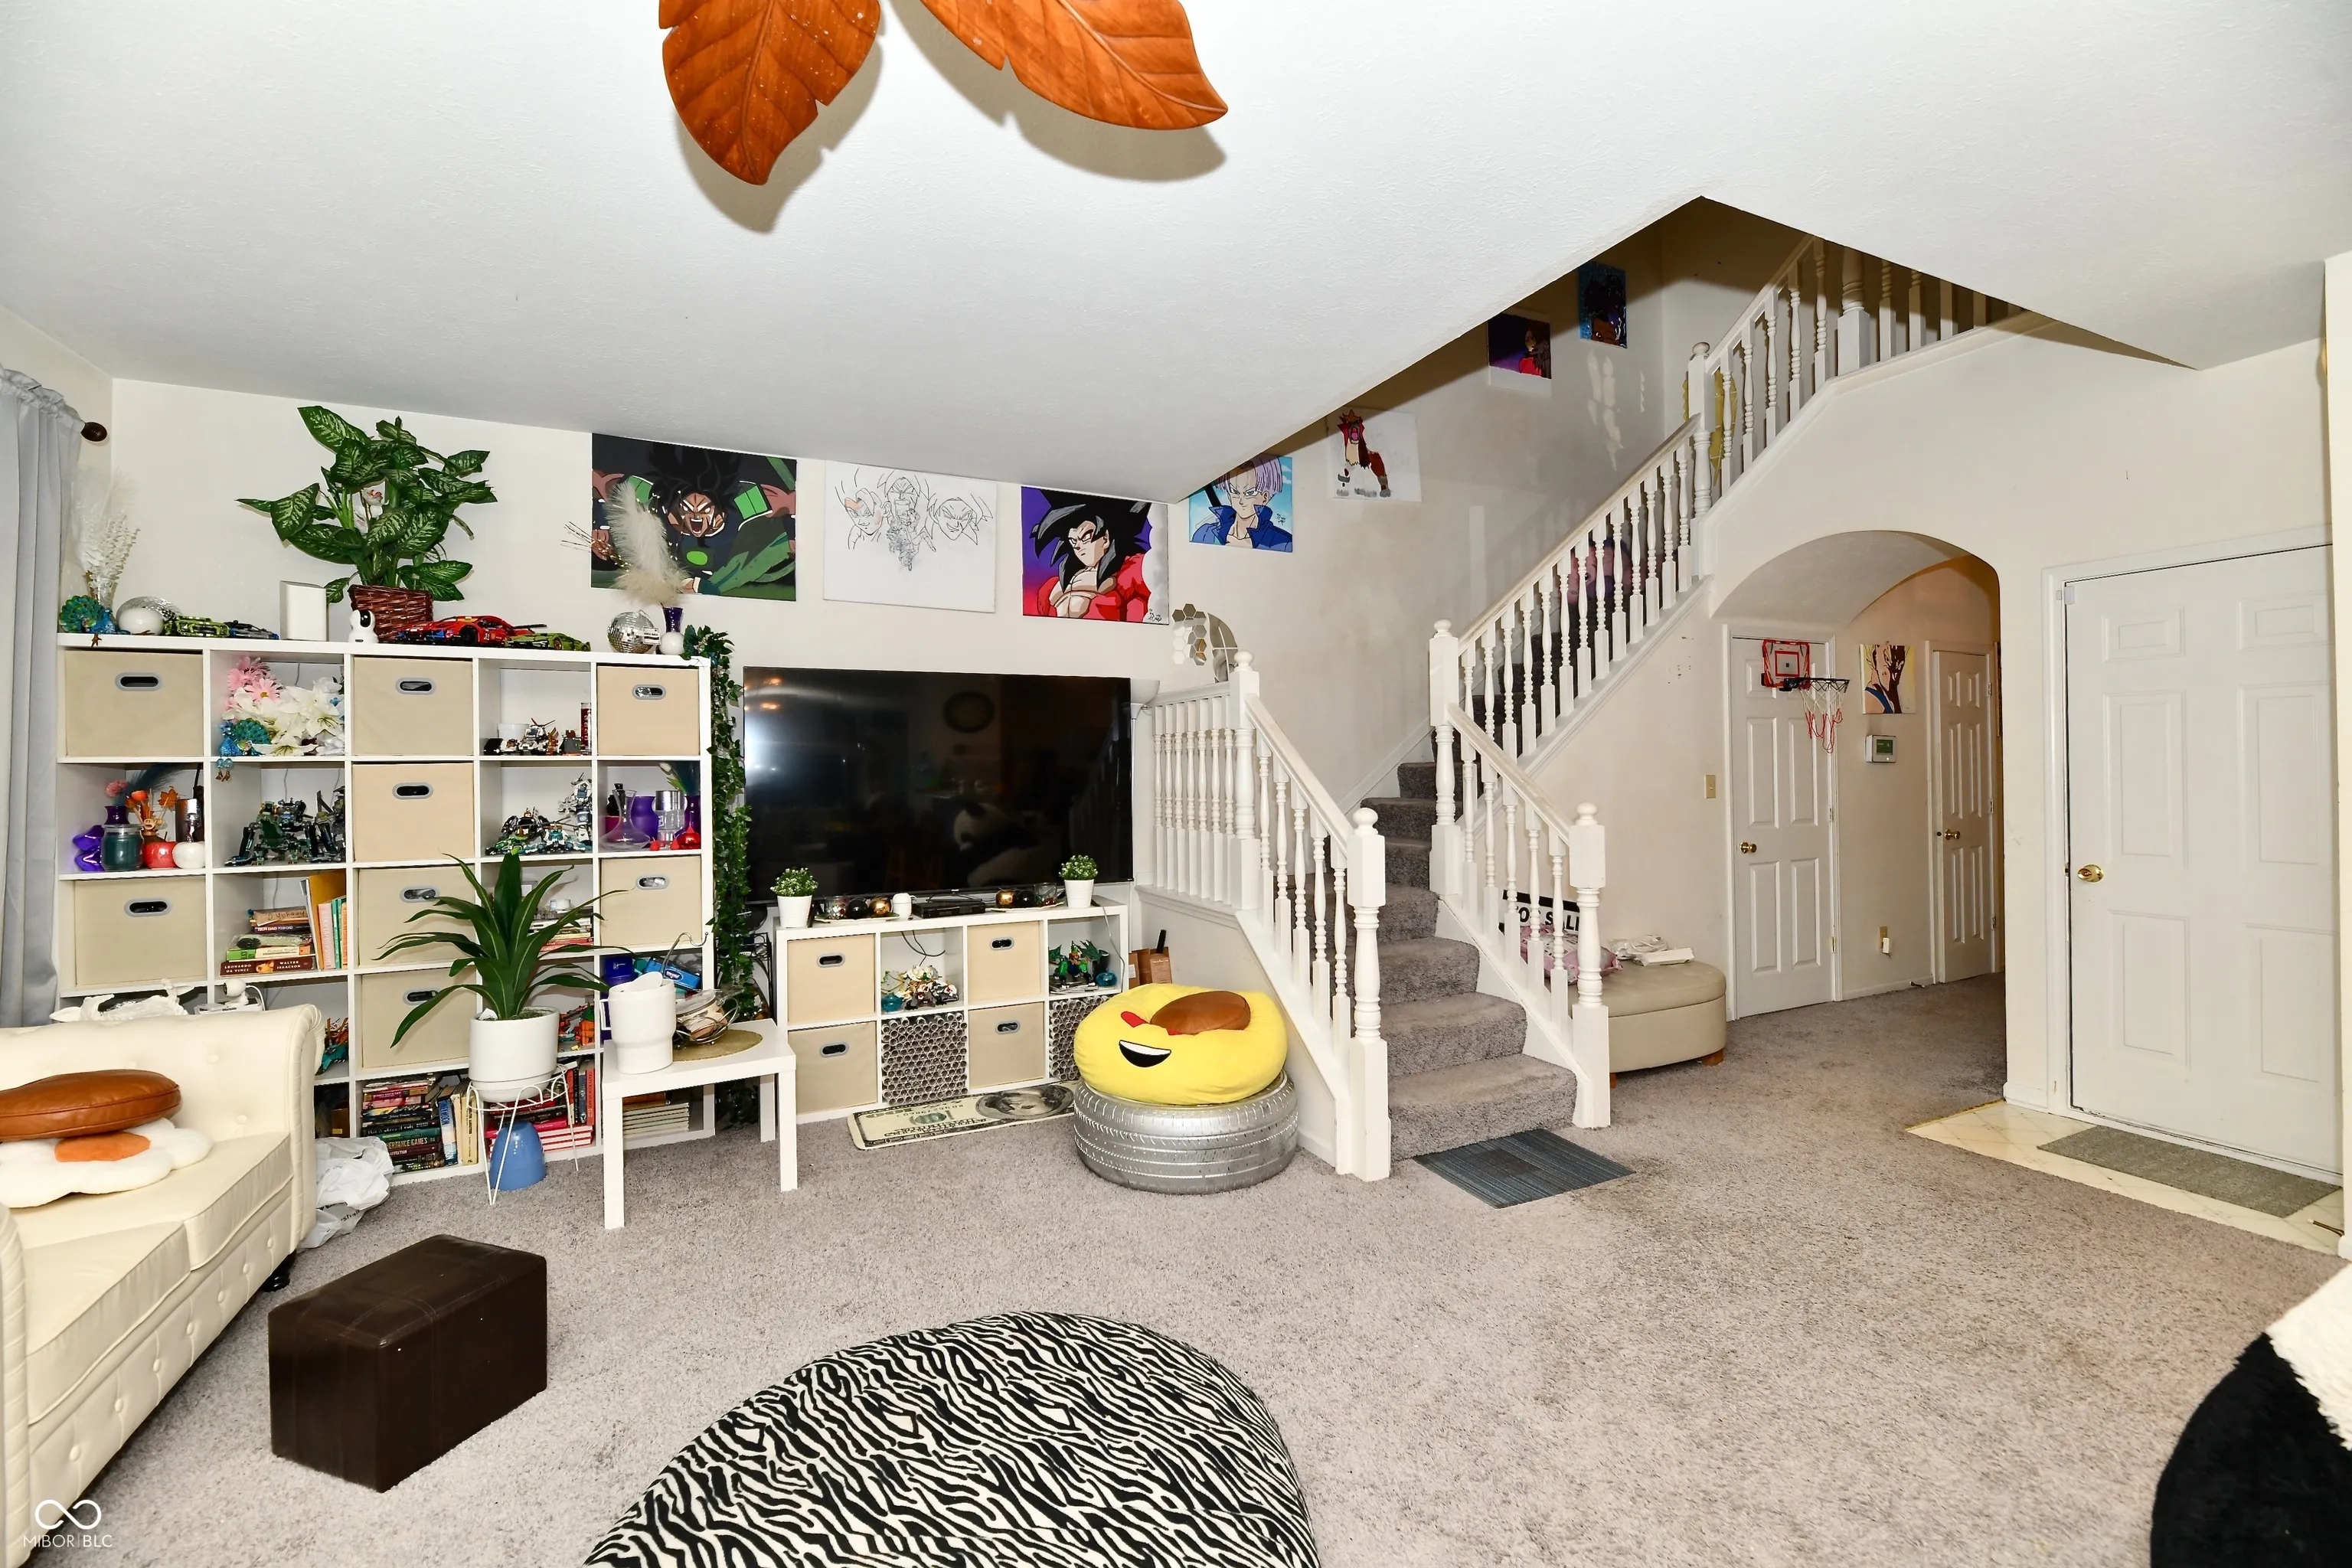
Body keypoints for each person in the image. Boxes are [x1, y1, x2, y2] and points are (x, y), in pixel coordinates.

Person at [1031, 493, 1155, 621]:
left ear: (1105, 538)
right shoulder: (1052, 586)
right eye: (1073, 540)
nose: (1078, 546)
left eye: (1085, 537)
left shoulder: (1130, 571)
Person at [1191, 456, 1292, 550]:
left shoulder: (1283, 542)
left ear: (1265, 498)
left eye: (1250, 493)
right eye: (1234, 491)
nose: (1241, 501)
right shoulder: (1206, 533)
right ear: (1228, 495)